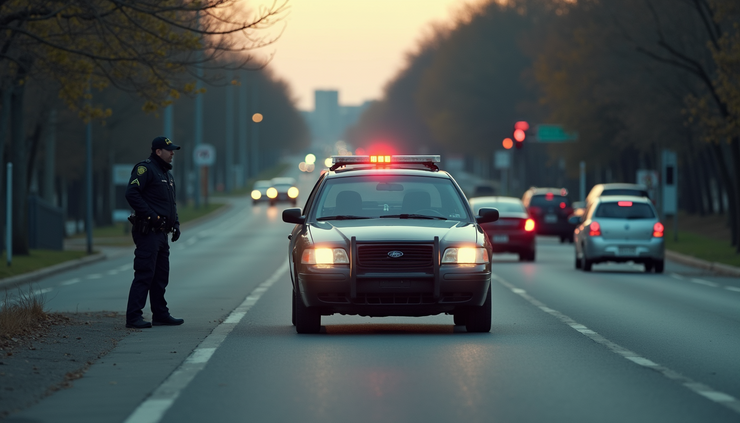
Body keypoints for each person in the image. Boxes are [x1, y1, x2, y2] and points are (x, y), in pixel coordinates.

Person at [124, 136, 184, 329]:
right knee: (144, 274)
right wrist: (152, 217)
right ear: (158, 151)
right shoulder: (146, 169)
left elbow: (169, 204)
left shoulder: (166, 173)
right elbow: (132, 193)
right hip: (148, 231)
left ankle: (160, 314)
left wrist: (175, 224)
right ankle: (133, 317)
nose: (172, 153)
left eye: (173, 150)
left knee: (160, 276)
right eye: (169, 150)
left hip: (161, 233)